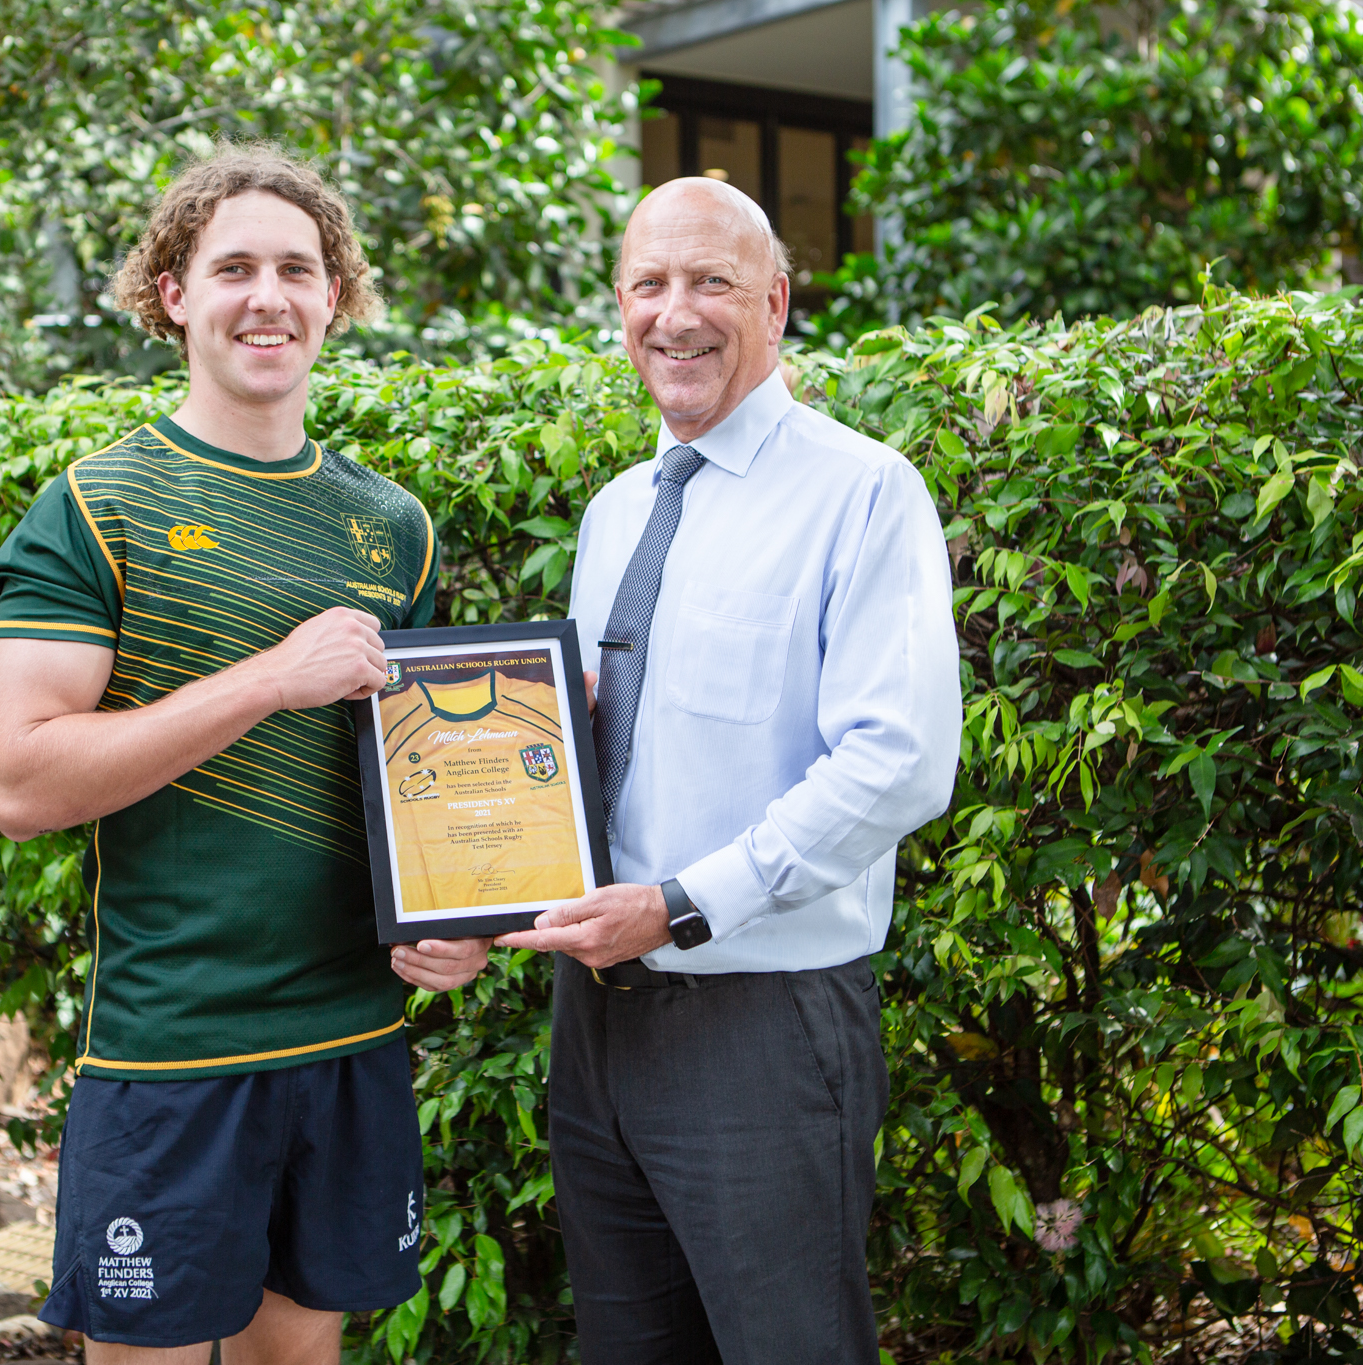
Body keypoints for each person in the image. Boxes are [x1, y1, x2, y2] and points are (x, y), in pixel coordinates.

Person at [0, 147, 490, 1365]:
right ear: (173, 295)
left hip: (351, 1042)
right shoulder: (96, 504)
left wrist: (450, 915)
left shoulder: (390, 526)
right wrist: (269, 679)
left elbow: (407, 785)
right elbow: (19, 781)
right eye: (234, 268)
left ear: (335, 299)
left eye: (297, 270)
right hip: (172, 1050)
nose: (269, 296)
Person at [497, 177, 963, 1364]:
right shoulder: (615, 513)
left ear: (774, 300)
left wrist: (681, 905)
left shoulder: (861, 491)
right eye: (648, 284)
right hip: (595, 1024)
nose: (675, 313)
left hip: (761, 1026)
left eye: (709, 281)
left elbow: (898, 761)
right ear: (619, 308)